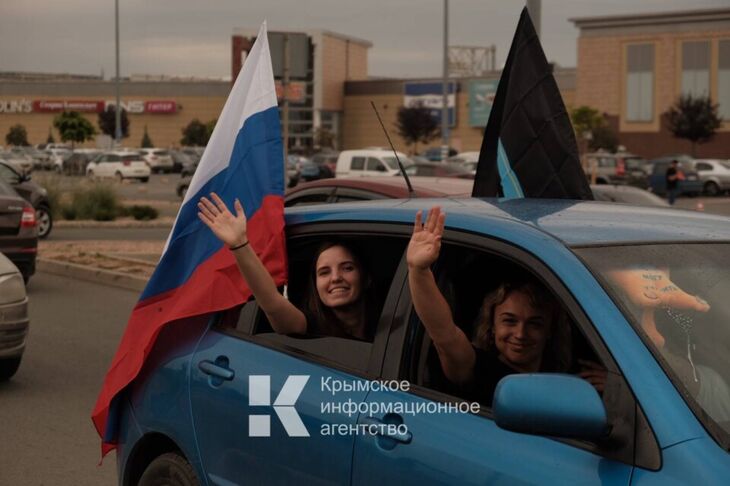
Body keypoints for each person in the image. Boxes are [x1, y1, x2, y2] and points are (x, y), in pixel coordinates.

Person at [407, 206, 605, 405]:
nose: (520, 334)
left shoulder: (571, 379)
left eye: (534, 324)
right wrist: (419, 271)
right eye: (509, 321)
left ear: (550, 330)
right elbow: (444, 335)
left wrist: (614, 390)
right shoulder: (479, 371)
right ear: (492, 326)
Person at [197, 192, 375, 340]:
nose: (335, 278)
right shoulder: (313, 325)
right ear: (316, 285)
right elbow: (272, 303)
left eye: (347, 268)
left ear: (366, 278)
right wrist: (239, 245)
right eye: (324, 272)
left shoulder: (388, 323)